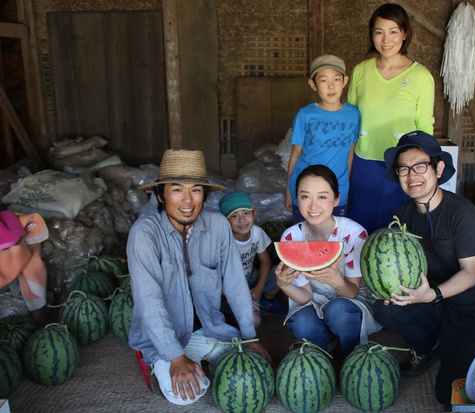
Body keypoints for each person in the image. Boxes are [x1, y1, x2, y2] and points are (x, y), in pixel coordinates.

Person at [127, 149, 271, 406]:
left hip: (209, 328)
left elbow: (236, 284)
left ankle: (202, 358)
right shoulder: (144, 233)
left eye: (195, 190)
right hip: (165, 337)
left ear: (205, 195)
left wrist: (250, 336)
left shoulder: (217, 225)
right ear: (160, 195)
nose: (187, 200)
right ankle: (163, 362)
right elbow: (148, 301)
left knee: (257, 370)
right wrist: (175, 357)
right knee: (187, 395)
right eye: (176, 189)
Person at [372, 131, 475, 405]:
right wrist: (386, 286)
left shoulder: (463, 214)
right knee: (385, 308)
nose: (412, 176)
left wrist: (432, 295)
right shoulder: (402, 217)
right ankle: (428, 345)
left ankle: (452, 341)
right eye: (403, 169)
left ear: (438, 168)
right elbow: (397, 266)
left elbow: (471, 273)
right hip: (434, 301)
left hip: (474, 310)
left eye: (420, 166)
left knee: (448, 394)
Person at [275, 164, 381, 359]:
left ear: (336, 199)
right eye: (305, 196)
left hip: (350, 301)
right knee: (301, 322)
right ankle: (322, 357)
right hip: (314, 301)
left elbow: (352, 291)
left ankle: (349, 355)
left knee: (339, 311)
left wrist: (336, 281)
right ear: (297, 199)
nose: (313, 206)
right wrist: (284, 286)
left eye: (322, 197)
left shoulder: (353, 233)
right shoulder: (291, 238)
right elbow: (306, 297)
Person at [347, 3, 436, 234]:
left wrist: (422, 170)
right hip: (364, 163)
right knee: (359, 231)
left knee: (396, 234)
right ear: (372, 35)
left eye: (393, 31)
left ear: (405, 34)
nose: (386, 40)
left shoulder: (421, 76)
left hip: (402, 167)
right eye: (379, 32)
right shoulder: (360, 71)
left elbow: (425, 127)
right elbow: (350, 122)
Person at [285, 54, 360, 223]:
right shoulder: (305, 115)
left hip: (338, 189)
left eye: (336, 79)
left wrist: (345, 184)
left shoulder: (354, 114)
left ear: (345, 81)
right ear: (313, 84)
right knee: (305, 239)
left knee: (335, 238)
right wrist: (289, 192)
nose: (331, 86)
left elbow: (350, 152)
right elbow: (296, 154)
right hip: (306, 190)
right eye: (324, 80)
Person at [218, 191, 287, 328]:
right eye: (234, 216)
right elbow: (214, 282)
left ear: (254, 213)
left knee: (285, 270)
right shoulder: (221, 242)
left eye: (246, 213)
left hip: (251, 280)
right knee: (255, 321)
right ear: (225, 221)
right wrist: (241, 299)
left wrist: (259, 288)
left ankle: (266, 302)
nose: (242, 220)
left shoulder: (256, 232)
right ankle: (231, 315)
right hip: (229, 292)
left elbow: (265, 261)